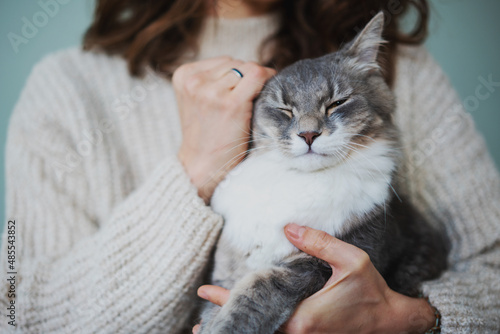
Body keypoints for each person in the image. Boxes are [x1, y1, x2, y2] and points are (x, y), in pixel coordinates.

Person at [1, 0, 499, 333]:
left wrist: (410, 320)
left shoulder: (397, 70)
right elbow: (13, 306)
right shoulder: (65, 87)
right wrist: (194, 170)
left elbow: (493, 268)